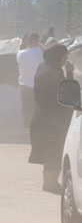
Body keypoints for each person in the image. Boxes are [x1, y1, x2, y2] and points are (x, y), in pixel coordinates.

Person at [29, 43, 74, 194]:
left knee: (49, 150)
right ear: (58, 56)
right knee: (54, 150)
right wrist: (70, 75)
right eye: (64, 56)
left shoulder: (42, 67)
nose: (65, 59)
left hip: (41, 116)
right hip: (53, 120)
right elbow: (67, 96)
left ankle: (49, 182)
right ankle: (50, 184)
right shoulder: (55, 73)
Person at [17, 33, 44, 128]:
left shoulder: (20, 54)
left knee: (26, 110)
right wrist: (41, 46)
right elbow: (47, 54)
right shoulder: (41, 53)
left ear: (27, 42)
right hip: (38, 87)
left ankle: (26, 130)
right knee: (37, 109)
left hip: (24, 86)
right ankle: (36, 130)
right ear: (37, 41)